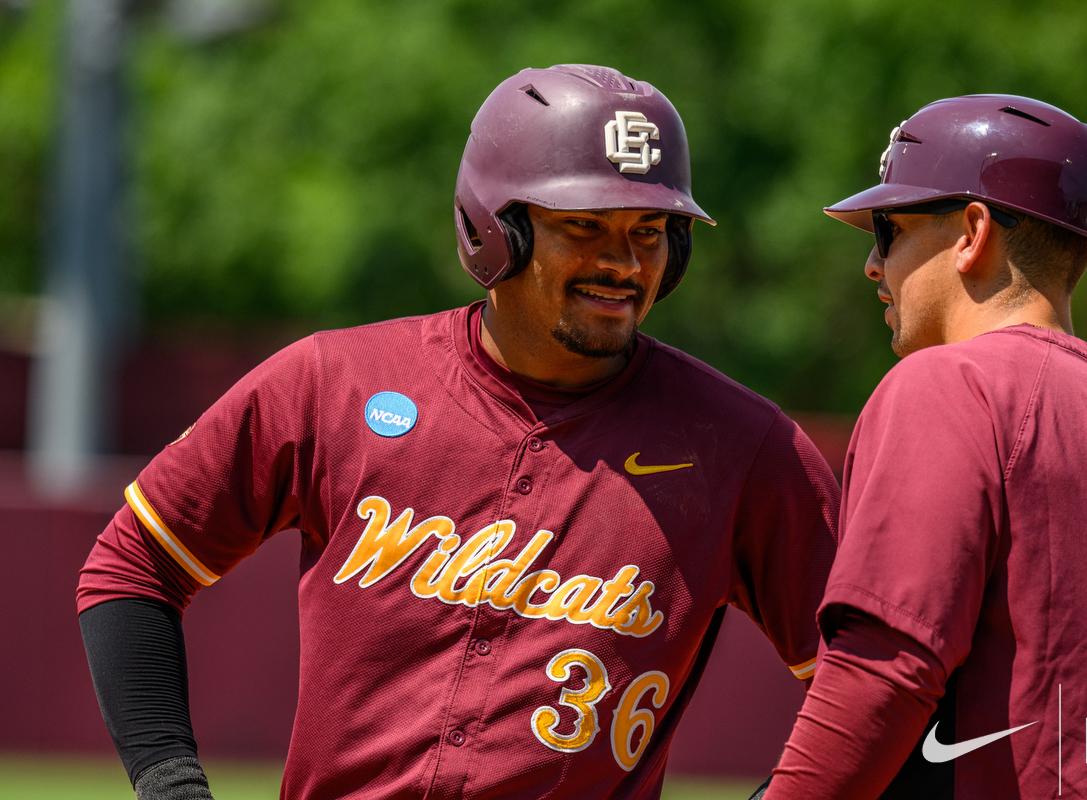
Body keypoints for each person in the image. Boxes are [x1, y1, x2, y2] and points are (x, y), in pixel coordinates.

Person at [77, 64, 840, 800]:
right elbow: (133, 565)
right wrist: (171, 785)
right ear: (495, 228)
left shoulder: (741, 449)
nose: (622, 261)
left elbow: (870, 686)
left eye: (651, 230)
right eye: (583, 225)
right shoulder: (333, 381)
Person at [762, 95, 1087, 798]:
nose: (874, 265)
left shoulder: (945, 384)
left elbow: (886, 666)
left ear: (971, 231)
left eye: (890, 229)